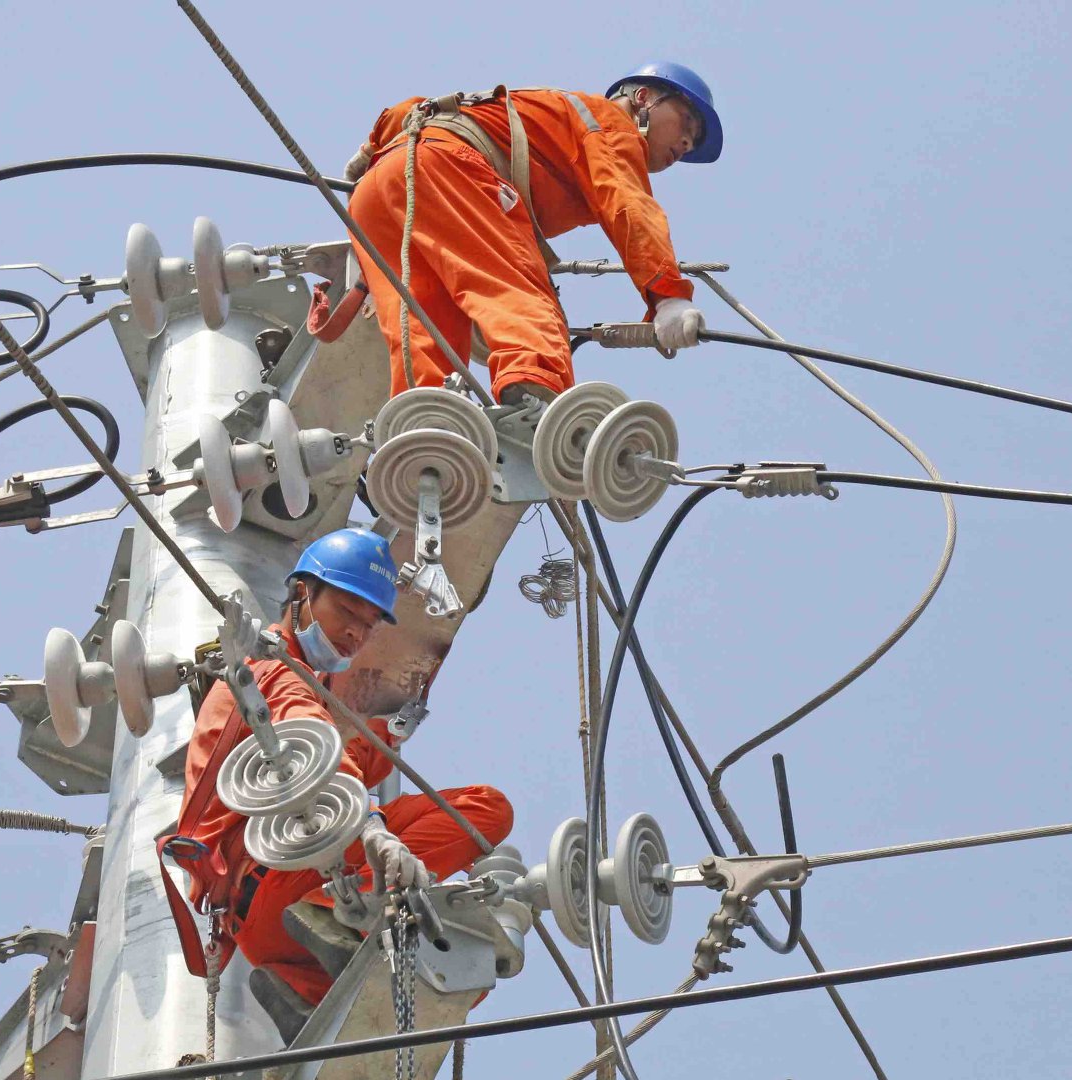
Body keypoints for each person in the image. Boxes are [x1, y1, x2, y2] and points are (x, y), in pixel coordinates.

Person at [173, 527, 513, 1041]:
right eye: (348, 612)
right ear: (301, 593)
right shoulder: (271, 669)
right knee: (481, 813)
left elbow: (345, 753)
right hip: (281, 880)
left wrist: (390, 729)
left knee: (432, 964)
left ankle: (302, 987)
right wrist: (372, 827)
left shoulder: (314, 686)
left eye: (368, 625)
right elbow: (317, 743)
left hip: (271, 928)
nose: (356, 633)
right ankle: (331, 915)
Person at [343, 62, 724, 405]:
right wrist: (668, 297)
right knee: (520, 294)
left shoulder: (550, 111)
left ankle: (425, 422)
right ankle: (535, 395)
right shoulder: (607, 122)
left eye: (692, 141)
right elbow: (628, 205)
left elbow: (412, 110)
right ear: (643, 99)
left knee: (427, 328)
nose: (687, 143)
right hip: (447, 169)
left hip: (378, 189)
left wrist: (370, 149)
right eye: (686, 122)